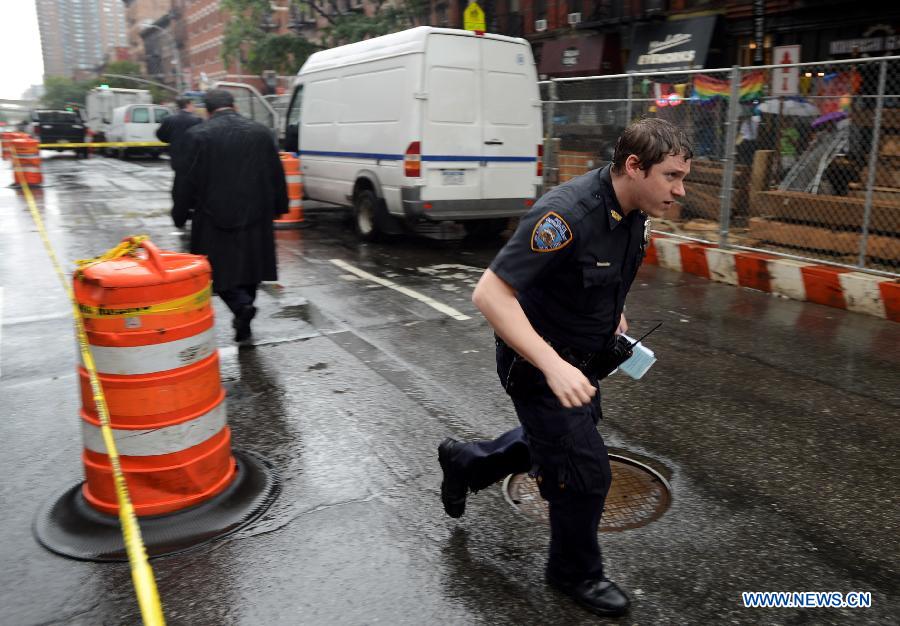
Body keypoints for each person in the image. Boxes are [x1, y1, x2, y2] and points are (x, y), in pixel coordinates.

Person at [437, 118, 691, 618]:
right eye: (672, 177)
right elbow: (490, 294)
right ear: (634, 166)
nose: (680, 190)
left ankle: (466, 461)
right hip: (536, 364)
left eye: (683, 178)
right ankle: (574, 572)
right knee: (585, 471)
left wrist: (611, 313)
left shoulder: (635, 208)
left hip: (583, 358)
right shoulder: (566, 214)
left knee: (553, 442)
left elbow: (601, 274)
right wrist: (553, 366)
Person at [172, 89, 288, 342]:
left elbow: (185, 179)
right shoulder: (261, 132)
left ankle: (240, 307)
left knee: (217, 271)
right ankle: (244, 312)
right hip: (256, 212)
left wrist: (179, 213)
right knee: (252, 267)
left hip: (214, 215)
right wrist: (280, 206)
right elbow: (276, 173)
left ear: (208, 109)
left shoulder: (198, 135)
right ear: (234, 105)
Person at [156, 97, 202, 172]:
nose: (195, 107)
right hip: (192, 157)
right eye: (194, 105)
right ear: (188, 105)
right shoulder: (197, 120)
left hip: (175, 156)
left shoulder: (169, 119)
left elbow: (160, 135)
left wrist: (171, 140)